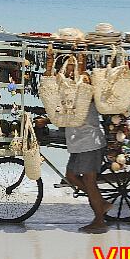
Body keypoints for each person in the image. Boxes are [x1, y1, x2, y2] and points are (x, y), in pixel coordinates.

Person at [46, 48, 112, 233]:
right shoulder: (67, 88)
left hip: (89, 142)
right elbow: (49, 81)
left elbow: (82, 73)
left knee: (89, 182)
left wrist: (80, 56)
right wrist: (50, 59)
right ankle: (101, 203)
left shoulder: (85, 84)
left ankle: (99, 219)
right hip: (78, 143)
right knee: (71, 177)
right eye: (68, 67)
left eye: (73, 67)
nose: (70, 70)